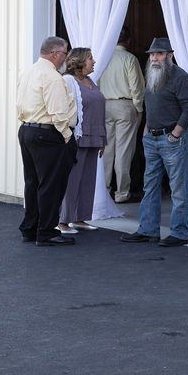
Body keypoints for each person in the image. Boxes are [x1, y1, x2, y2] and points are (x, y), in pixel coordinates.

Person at [120, 37, 188, 247]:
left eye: (159, 54)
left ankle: (179, 233)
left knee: (178, 188)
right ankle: (148, 230)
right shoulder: (152, 75)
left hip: (173, 138)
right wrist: (146, 130)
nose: (154, 58)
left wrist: (176, 134)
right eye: (152, 54)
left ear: (170, 55)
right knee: (150, 186)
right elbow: (150, 104)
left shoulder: (181, 77)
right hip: (152, 138)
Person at [16, 36, 77, 246]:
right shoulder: (51, 76)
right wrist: (68, 137)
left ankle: (30, 227)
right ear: (55, 54)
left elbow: (20, 104)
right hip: (48, 133)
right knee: (51, 184)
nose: (65, 58)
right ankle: (47, 231)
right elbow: (58, 112)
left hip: (27, 130)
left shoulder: (29, 72)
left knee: (32, 182)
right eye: (64, 53)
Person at [57, 47, 106, 235]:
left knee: (88, 179)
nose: (93, 62)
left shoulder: (90, 81)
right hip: (77, 137)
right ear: (79, 61)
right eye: (90, 59)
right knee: (72, 180)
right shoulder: (69, 81)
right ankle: (63, 221)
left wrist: (103, 138)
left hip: (95, 137)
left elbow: (99, 111)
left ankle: (80, 217)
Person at [98, 26, 145, 203]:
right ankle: (122, 193)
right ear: (129, 40)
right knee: (124, 150)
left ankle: (104, 189)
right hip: (125, 105)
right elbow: (137, 88)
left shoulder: (104, 58)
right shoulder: (129, 59)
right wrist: (139, 108)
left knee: (107, 149)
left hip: (105, 104)